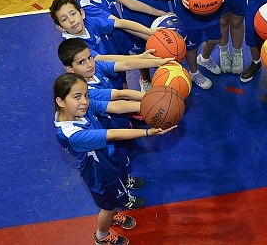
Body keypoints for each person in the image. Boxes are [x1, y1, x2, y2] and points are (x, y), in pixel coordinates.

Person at [53, 73, 177, 245]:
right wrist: (148, 132)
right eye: (77, 97)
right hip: (100, 176)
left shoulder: (78, 109)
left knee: (119, 185)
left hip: (108, 161)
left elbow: (115, 106)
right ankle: (101, 236)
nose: (84, 101)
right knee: (108, 207)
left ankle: (118, 201)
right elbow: (113, 134)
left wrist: (149, 104)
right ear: (61, 101)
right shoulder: (72, 134)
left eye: (86, 95)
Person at [73, 0, 173, 69]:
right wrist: (153, 35)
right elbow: (120, 24)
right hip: (107, 46)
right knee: (119, 74)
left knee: (124, 72)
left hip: (119, 37)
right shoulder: (85, 7)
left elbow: (130, 3)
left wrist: (161, 13)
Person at [49, 0, 156, 89]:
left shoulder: (90, 22)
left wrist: (151, 32)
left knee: (122, 86)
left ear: (81, 13)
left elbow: (120, 23)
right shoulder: (73, 45)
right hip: (100, 81)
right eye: (64, 19)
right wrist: (141, 57)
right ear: (60, 27)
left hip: (114, 69)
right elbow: (103, 59)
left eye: (73, 14)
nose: (71, 20)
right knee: (116, 99)